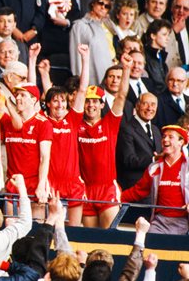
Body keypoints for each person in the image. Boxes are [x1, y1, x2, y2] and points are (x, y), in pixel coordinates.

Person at [78, 53, 132, 228]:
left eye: (95, 101)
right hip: (86, 190)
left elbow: (122, 96)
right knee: (88, 241)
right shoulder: (76, 125)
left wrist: (126, 69)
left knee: (108, 240)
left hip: (107, 189)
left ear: (102, 104)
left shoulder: (110, 123)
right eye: (87, 101)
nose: (91, 105)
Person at [43, 44, 89, 226]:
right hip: (50, 183)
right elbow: (47, 93)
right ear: (48, 104)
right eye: (56, 101)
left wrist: (85, 59)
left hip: (72, 184)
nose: (60, 105)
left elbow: (83, 90)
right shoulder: (43, 121)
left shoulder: (72, 119)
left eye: (63, 101)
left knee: (74, 231)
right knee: (48, 229)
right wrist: (44, 74)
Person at [0, 83, 52, 218]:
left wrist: (41, 185)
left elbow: (44, 157)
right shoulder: (7, 121)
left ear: (33, 99)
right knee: (11, 228)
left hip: (34, 183)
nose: (18, 98)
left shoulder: (43, 123)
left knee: (36, 229)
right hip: (13, 183)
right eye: (17, 95)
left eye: (23, 95)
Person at [69, 0, 117, 85]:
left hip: (110, 74)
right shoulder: (80, 25)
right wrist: (78, 83)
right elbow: (75, 56)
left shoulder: (110, 26)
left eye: (107, 6)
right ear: (93, 3)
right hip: (91, 77)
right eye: (101, 3)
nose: (103, 7)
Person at [116, 93, 162, 190]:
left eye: (153, 104)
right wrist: (153, 159)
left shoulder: (156, 130)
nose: (149, 108)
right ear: (137, 106)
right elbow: (128, 160)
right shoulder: (126, 129)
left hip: (155, 187)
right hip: (135, 188)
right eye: (145, 104)